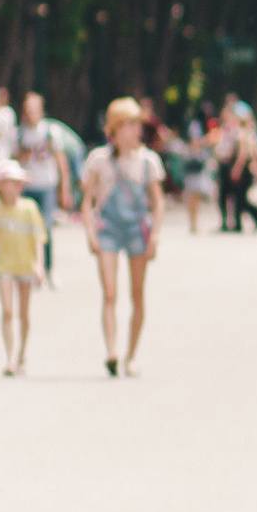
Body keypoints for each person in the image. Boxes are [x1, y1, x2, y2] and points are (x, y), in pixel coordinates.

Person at [80, 97, 165, 377]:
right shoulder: (99, 160)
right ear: (114, 129)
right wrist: (90, 231)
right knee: (110, 292)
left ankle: (131, 354)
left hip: (136, 230)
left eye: (135, 124)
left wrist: (155, 236)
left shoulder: (148, 162)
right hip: (109, 229)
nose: (134, 130)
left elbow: (157, 201)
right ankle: (112, 350)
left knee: (137, 295)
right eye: (128, 124)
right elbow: (88, 201)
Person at [0, 160, 46, 375]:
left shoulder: (29, 208)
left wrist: (39, 265)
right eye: (10, 182)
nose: (14, 187)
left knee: (24, 313)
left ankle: (22, 353)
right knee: (7, 311)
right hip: (5, 265)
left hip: (26, 265)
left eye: (17, 183)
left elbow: (38, 238)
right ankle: (9, 357)